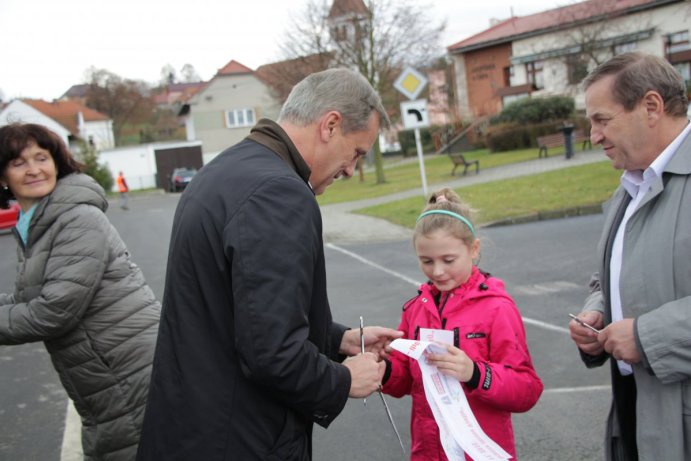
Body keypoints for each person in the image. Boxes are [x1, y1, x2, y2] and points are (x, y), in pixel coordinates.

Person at [136, 68, 403, 461]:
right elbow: (272, 353)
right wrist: (343, 379)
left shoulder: (223, 171)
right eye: (357, 153)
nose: (350, 169)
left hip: (196, 427)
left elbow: (239, 311)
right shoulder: (279, 193)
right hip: (240, 438)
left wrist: (336, 340)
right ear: (330, 125)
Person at [0, 123, 160, 460]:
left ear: (57, 162)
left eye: (41, 158)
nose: (33, 170)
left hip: (128, 368)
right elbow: (26, 300)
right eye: (18, 163)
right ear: (3, 176)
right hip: (103, 374)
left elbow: (52, 311)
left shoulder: (77, 218)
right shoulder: (37, 223)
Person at [569, 51, 691, 461]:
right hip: (636, 408)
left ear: (651, 106)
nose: (594, 136)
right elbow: (611, 275)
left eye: (602, 120)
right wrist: (598, 311)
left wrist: (644, 336)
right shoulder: (631, 187)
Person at [382, 188, 543, 460]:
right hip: (428, 451)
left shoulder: (497, 308)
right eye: (426, 261)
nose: (437, 271)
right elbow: (406, 380)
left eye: (448, 260)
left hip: (481, 452)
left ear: (473, 249)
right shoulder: (415, 309)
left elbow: (527, 388)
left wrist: (476, 373)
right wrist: (384, 369)